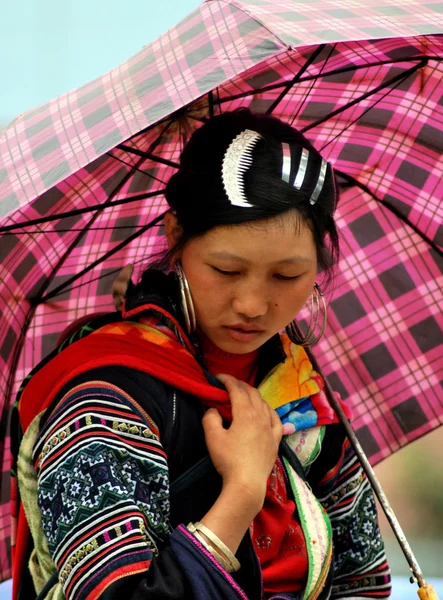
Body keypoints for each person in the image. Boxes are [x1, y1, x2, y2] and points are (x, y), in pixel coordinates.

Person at [12, 109, 392, 600]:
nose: (253, 306)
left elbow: (362, 583)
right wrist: (242, 494)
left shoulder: (302, 395)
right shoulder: (104, 398)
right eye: (227, 270)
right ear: (175, 238)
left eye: (287, 276)